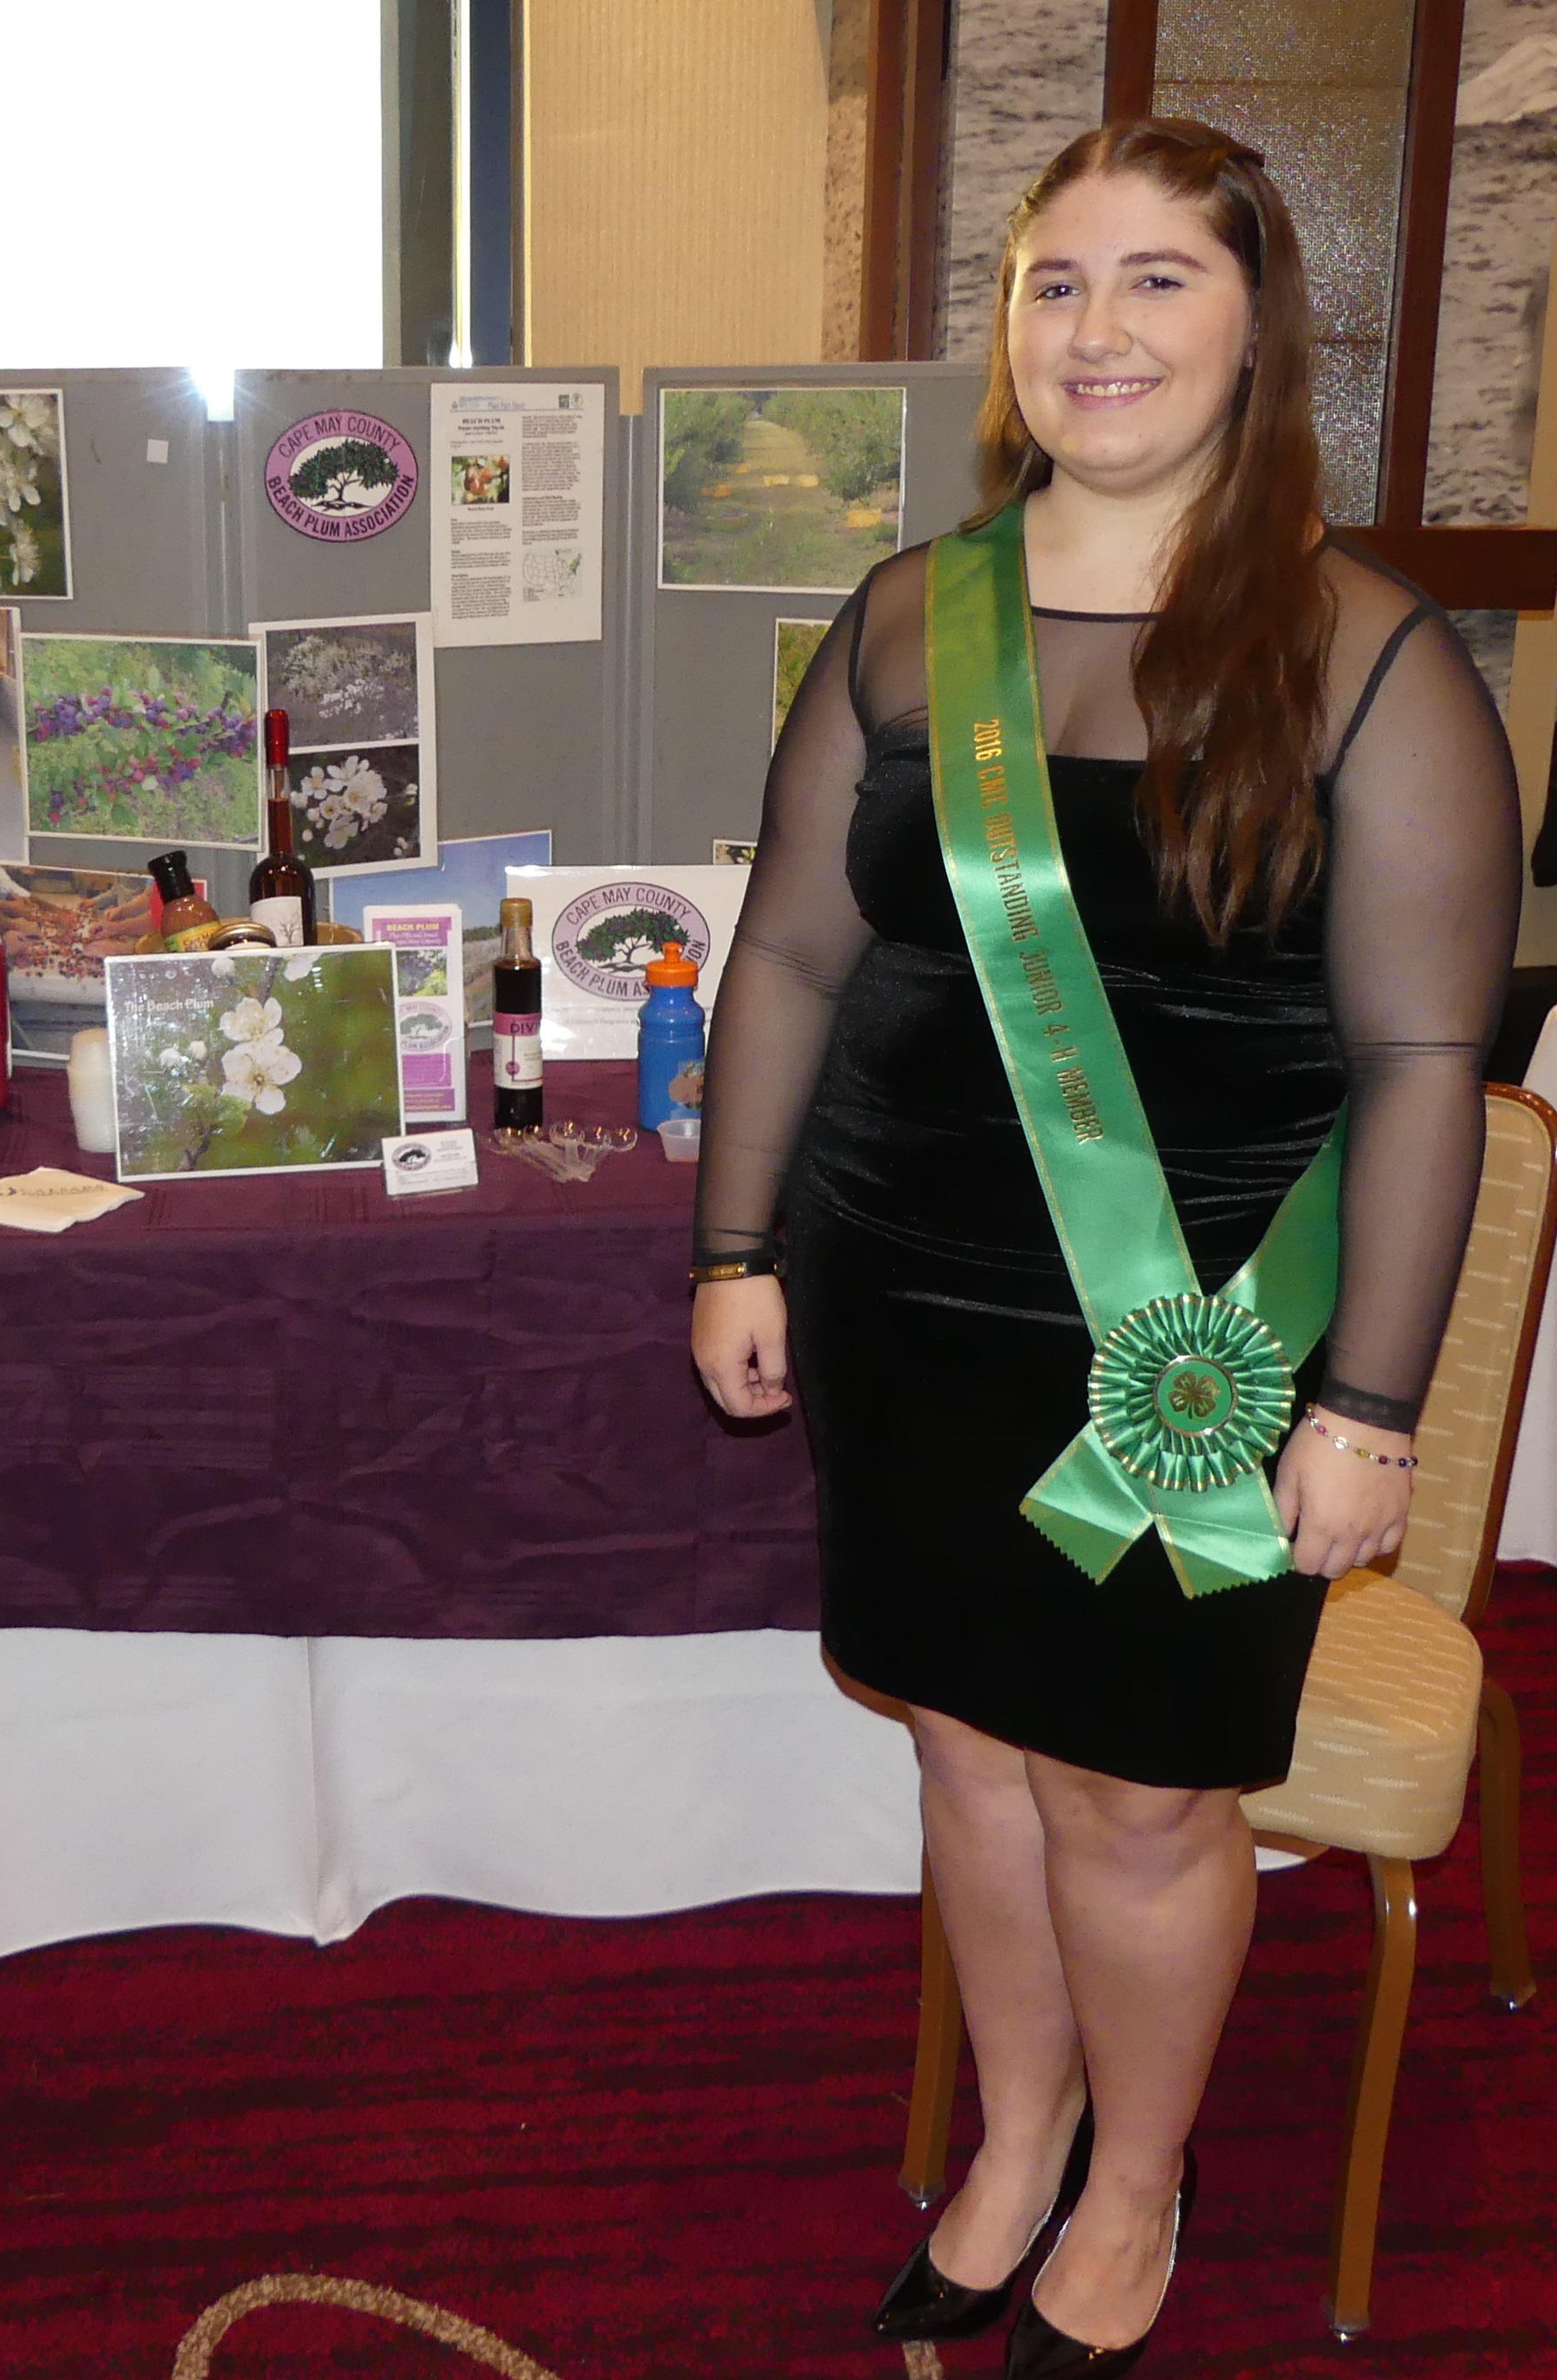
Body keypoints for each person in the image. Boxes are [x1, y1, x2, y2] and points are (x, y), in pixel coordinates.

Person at [690, 120, 1517, 2377]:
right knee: (968, 1751)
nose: (1099, 331)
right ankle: (1016, 2127)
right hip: (900, 1295)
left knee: (1142, 1793)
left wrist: (1364, 1403)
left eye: (1159, 281)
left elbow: (1428, 1057)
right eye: (1057, 282)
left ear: (1253, 325)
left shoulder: (1368, 659)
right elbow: (782, 955)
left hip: (1199, 1340)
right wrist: (735, 1243)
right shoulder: (906, 613)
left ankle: (1137, 2181)